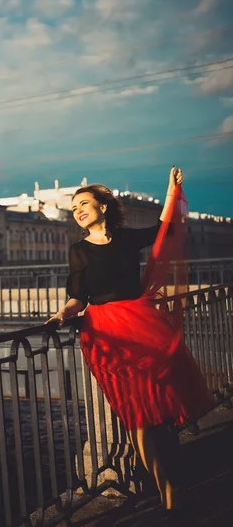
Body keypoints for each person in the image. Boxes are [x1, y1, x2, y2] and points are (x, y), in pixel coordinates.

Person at [46, 167, 214, 514]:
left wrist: (170, 192)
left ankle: (172, 468)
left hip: (140, 324)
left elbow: (164, 229)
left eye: (84, 204)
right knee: (134, 412)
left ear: (103, 207)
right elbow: (77, 296)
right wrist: (63, 313)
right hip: (105, 332)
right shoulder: (78, 250)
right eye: (74, 207)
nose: (77, 210)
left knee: (156, 401)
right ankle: (165, 485)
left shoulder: (125, 238)